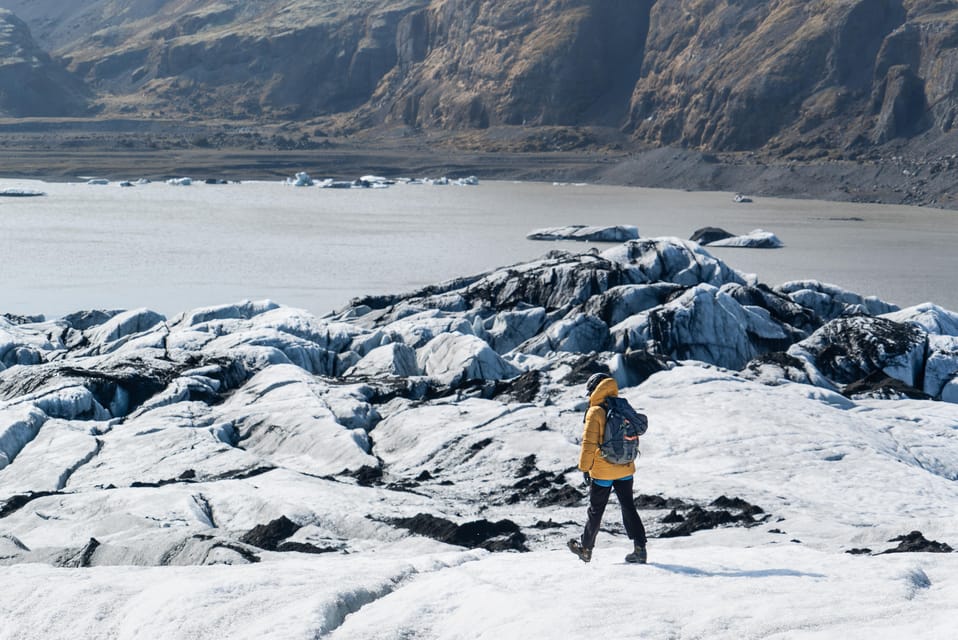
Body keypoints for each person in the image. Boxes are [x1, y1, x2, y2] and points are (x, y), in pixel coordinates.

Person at [568, 372, 648, 564]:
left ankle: (586, 549)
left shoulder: (595, 411)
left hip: (603, 471)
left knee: (596, 510)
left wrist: (585, 469)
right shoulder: (621, 406)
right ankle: (640, 549)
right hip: (625, 468)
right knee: (629, 507)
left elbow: (588, 444)